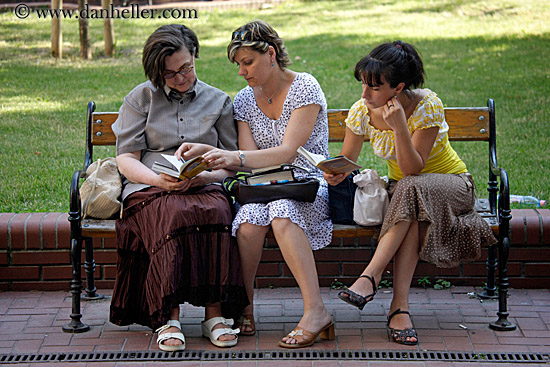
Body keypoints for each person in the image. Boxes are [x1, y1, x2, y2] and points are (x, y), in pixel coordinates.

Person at [324, 41, 497, 345]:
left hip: (451, 186)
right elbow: (348, 160)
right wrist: (336, 171)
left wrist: (400, 127)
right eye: (364, 84)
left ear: (399, 87)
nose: (364, 93)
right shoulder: (362, 111)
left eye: (374, 87)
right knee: (410, 206)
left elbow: (413, 170)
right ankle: (398, 310)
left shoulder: (427, 105)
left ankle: (370, 276)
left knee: (408, 187)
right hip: (407, 196)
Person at [109, 24, 249, 351]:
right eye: (170, 75)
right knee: (172, 215)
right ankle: (167, 316)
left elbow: (230, 163)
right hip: (150, 186)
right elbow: (126, 159)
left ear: (195, 55)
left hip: (203, 184)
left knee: (215, 210)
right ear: (157, 73)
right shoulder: (140, 98)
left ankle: (214, 313)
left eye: (186, 68)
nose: (181, 78)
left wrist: (204, 177)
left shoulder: (217, 101)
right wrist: (158, 180)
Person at [200, 20, 334, 349]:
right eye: (238, 65)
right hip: (264, 185)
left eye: (248, 62)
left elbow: (287, 152)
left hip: (307, 183)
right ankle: (244, 305)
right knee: (246, 223)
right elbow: (251, 156)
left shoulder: (305, 87)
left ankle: (316, 312)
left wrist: (234, 158)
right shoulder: (245, 100)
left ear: (271, 54)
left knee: (282, 213)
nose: (242, 72)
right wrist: (228, 160)